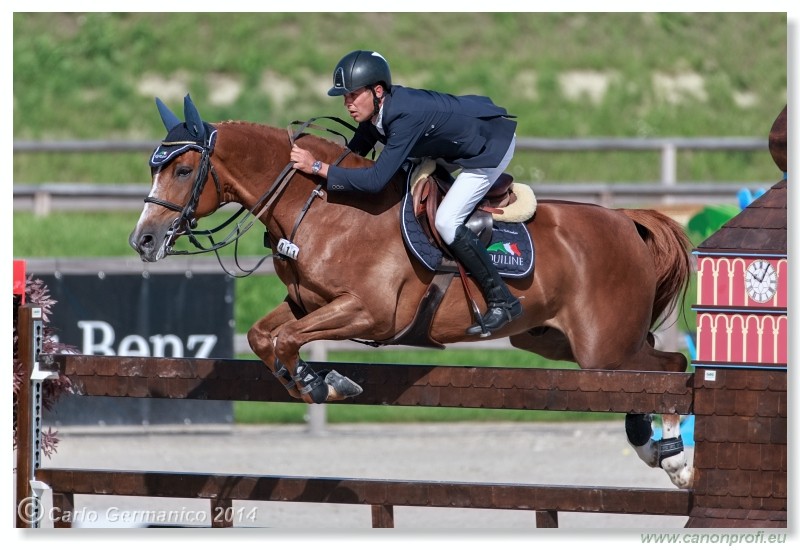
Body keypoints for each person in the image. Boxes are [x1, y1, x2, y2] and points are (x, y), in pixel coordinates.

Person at [290, 50, 521, 336]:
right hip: (454, 137)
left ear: (377, 91)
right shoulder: (376, 112)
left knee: (447, 221)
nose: (348, 104)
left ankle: (503, 300)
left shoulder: (404, 117)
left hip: (489, 146)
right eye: (344, 97)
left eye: (353, 95)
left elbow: (375, 181)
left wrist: (316, 166)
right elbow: (352, 156)